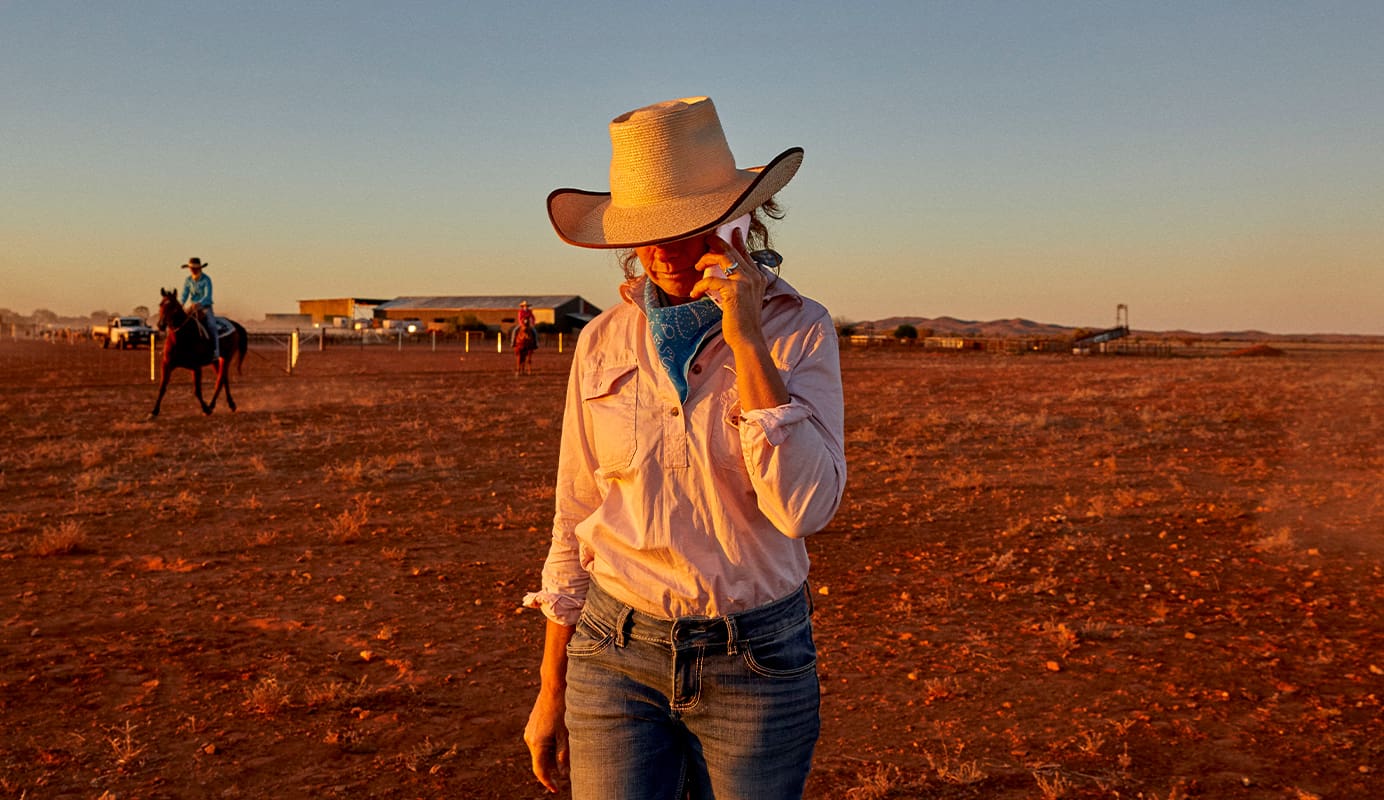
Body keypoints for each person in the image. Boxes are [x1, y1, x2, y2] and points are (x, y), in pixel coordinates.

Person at [522, 96, 847, 799]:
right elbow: (575, 512)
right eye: (645, 232)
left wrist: (749, 341)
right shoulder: (602, 339)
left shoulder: (801, 330)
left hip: (756, 664)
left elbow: (804, 509)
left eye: (689, 226)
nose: (665, 250)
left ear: (742, 220)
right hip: (612, 654)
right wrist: (551, 685)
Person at [179, 257, 220, 360]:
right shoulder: (188, 280)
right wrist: (181, 304)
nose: (192, 269)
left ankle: (216, 350)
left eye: (195, 268)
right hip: (192, 307)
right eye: (191, 268)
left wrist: (199, 303)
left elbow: (208, 296)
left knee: (211, 325)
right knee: (179, 323)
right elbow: (185, 294)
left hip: (205, 307)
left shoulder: (206, 279)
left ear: (200, 268)